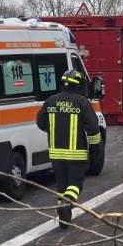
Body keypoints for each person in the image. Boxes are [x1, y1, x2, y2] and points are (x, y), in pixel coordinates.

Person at [36, 70, 101, 229]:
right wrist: (95, 147)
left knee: (62, 185)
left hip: (56, 153)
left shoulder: (51, 101)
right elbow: (93, 128)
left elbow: (40, 122)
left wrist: (54, 131)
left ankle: (64, 218)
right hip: (76, 153)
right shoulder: (81, 102)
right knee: (75, 183)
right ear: (79, 85)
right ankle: (66, 204)